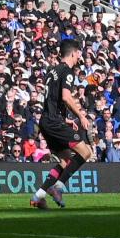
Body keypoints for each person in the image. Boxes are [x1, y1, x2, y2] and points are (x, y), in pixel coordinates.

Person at [30, 38, 93, 210]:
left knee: (66, 161)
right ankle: (57, 187)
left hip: (47, 120)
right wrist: (80, 115)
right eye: (79, 52)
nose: (80, 55)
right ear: (73, 53)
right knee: (86, 152)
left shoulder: (53, 71)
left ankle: (37, 197)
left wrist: (65, 119)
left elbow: (52, 99)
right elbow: (65, 97)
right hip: (53, 122)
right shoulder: (68, 72)